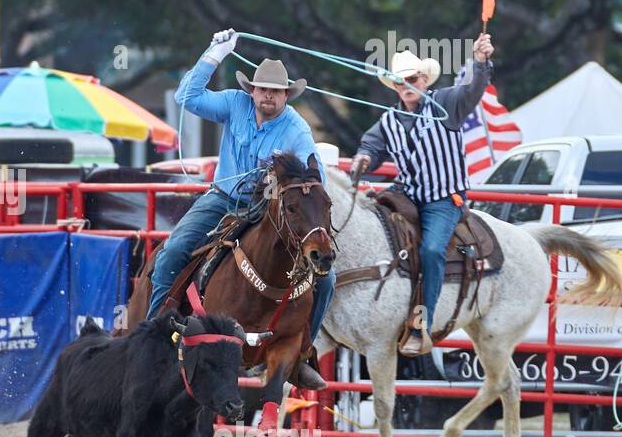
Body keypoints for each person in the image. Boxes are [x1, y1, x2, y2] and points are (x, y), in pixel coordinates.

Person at [148, 29, 332, 390]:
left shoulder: (296, 129)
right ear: (252, 90)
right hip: (222, 198)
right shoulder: (234, 103)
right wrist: (214, 55)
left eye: (276, 91)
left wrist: (290, 190)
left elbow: (315, 180)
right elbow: (188, 95)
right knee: (172, 253)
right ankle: (154, 332)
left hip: (268, 210)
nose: (268, 96)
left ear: (286, 95)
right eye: (262, 89)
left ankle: (301, 353)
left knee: (328, 281)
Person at [351, 33, 496, 356]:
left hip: (444, 199)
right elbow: (370, 148)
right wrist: (362, 160)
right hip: (408, 193)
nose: (407, 84)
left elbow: (473, 89)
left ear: (424, 80)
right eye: (400, 80)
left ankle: (423, 323)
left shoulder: (447, 103)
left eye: (412, 78)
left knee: (431, 250)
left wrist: (481, 62)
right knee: (370, 225)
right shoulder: (387, 121)